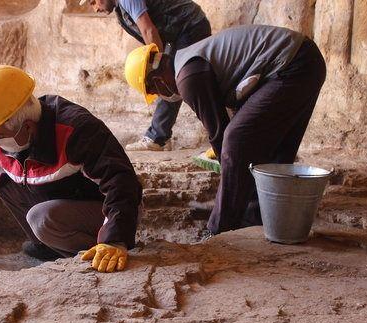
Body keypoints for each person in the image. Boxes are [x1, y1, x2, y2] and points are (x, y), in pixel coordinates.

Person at [0, 65, 142, 273]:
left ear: (28, 127)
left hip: (112, 210)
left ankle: (94, 252)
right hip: (64, 200)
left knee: (40, 217)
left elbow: (121, 182)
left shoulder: (76, 130)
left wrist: (115, 239)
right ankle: (48, 246)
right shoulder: (11, 135)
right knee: (2, 181)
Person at [123, 24, 327, 235]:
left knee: (235, 140)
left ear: (156, 80)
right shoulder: (189, 61)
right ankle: (260, 220)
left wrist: (228, 163)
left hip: (293, 64)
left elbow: (222, 135)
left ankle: (219, 229)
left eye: (154, 91)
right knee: (273, 151)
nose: (160, 95)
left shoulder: (187, 77)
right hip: (306, 60)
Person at [82, 0, 211, 151]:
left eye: (93, 1)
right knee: (170, 81)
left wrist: (158, 68)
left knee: (169, 80)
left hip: (190, 27)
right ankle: (159, 137)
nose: (95, 8)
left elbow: (148, 31)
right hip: (179, 32)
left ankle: (157, 137)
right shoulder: (119, 8)